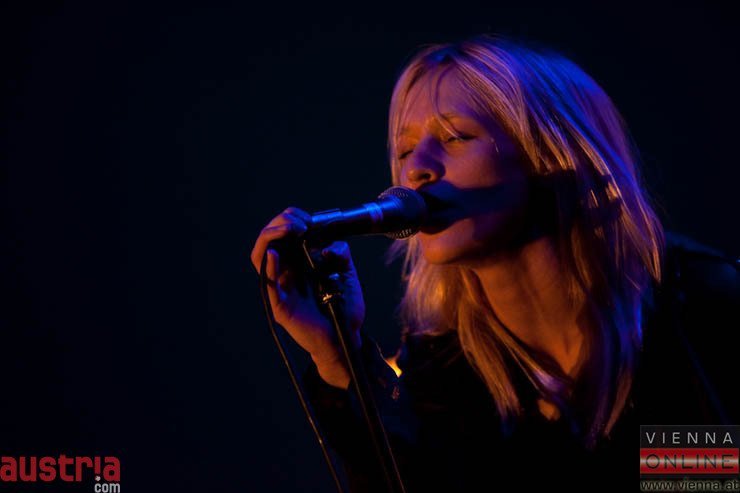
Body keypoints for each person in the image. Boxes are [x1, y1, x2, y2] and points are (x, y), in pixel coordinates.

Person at [250, 34, 738, 492]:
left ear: (552, 154)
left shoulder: (697, 307)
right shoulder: (442, 377)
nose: (416, 168)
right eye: (404, 150)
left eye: (455, 136)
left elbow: (711, 475)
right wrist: (338, 357)